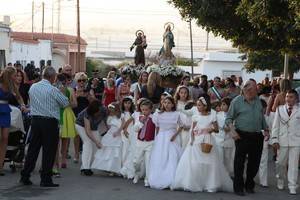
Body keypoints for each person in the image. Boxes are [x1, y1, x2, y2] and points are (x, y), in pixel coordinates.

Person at [172, 95, 233, 193]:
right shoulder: (195, 116)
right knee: (194, 162)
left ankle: (210, 184)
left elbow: (217, 129)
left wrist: (210, 129)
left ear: (205, 106)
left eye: (200, 105)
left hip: (208, 139)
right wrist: (191, 140)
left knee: (210, 162)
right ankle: (194, 182)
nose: (198, 107)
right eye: (197, 105)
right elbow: (192, 130)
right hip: (196, 141)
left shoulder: (212, 116)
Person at [20, 67, 69, 187]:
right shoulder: (53, 90)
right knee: (49, 151)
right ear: (53, 77)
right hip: (50, 122)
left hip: (36, 120)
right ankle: (46, 178)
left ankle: (25, 175)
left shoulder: (33, 87)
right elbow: (65, 103)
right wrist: (62, 92)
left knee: (33, 149)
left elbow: (32, 102)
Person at [225, 80, 269, 196]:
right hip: (241, 135)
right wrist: (232, 131)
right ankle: (238, 187)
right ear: (246, 90)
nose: (254, 92)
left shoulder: (259, 101)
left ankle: (249, 185)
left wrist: (266, 129)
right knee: (239, 163)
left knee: (254, 163)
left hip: (257, 135)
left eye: (255, 90)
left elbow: (261, 117)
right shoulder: (236, 101)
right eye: (252, 90)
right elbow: (228, 118)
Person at [148, 96, 185, 189]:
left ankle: (172, 177)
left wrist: (175, 135)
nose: (167, 104)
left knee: (172, 156)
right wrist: (157, 137)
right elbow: (157, 127)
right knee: (160, 157)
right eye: (165, 103)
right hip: (161, 137)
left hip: (172, 136)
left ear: (173, 104)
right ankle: (159, 176)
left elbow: (181, 126)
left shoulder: (177, 114)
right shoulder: (158, 114)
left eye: (169, 103)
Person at [272, 89, 300, 195]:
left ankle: (292, 185)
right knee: (280, 163)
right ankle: (280, 178)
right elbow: (275, 126)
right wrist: (274, 139)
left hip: (296, 141)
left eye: (291, 97)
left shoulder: (299, 110)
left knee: (293, 165)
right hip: (282, 140)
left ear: (296, 99)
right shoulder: (280, 109)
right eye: (287, 96)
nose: (288, 99)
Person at [0, 67, 23, 176]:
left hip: (6, 111)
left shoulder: (12, 86)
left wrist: (22, 105)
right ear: (9, 75)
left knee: (5, 138)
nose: (16, 77)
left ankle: (0, 166)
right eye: (14, 75)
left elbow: (19, 98)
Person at [75, 100, 107, 176]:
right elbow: (88, 130)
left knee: (97, 147)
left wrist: (109, 130)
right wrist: (96, 141)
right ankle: (86, 168)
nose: (96, 114)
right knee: (87, 143)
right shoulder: (87, 113)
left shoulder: (104, 110)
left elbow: (106, 121)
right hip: (81, 126)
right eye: (95, 113)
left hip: (94, 127)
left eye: (97, 112)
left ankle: (86, 166)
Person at [91, 102, 123, 175]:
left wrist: (118, 131)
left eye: (112, 110)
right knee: (108, 151)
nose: (111, 111)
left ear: (116, 110)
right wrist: (111, 132)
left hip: (118, 134)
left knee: (116, 152)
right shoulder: (109, 117)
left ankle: (114, 169)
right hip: (111, 134)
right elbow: (109, 127)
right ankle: (108, 168)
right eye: (110, 110)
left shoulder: (120, 116)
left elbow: (122, 124)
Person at [133, 100, 155, 187]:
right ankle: (137, 174)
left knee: (148, 161)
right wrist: (141, 122)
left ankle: (147, 179)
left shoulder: (154, 118)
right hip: (140, 142)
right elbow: (135, 129)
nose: (144, 111)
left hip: (150, 142)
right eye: (143, 110)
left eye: (146, 110)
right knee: (136, 161)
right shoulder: (139, 118)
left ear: (150, 110)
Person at [213, 97, 235, 177]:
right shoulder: (217, 115)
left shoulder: (234, 115)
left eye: (224, 104)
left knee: (228, 158)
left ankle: (228, 174)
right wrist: (222, 127)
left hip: (229, 139)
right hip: (219, 138)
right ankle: (219, 175)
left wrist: (230, 128)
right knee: (220, 157)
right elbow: (215, 125)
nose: (222, 106)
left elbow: (235, 125)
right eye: (221, 104)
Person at [120, 97, 136, 179]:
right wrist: (124, 130)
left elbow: (133, 123)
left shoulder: (132, 113)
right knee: (125, 149)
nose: (127, 105)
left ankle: (128, 166)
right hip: (124, 132)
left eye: (129, 103)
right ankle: (123, 166)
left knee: (131, 149)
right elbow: (123, 123)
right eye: (125, 103)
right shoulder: (121, 113)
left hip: (132, 132)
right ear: (123, 104)